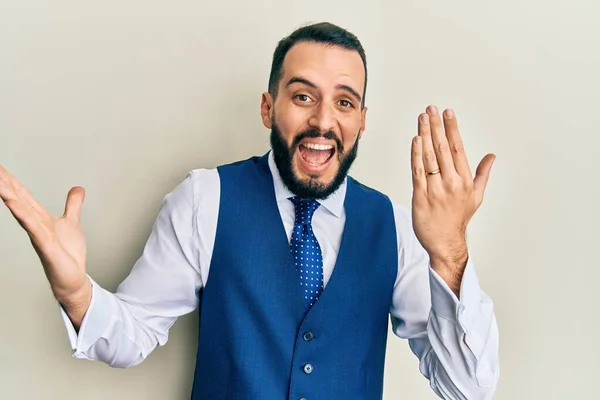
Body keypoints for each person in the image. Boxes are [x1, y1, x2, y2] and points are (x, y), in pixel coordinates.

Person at [0, 22, 499, 400]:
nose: (323, 121)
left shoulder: (395, 227)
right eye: (303, 96)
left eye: (344, 103)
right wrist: (76, 292)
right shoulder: (205, 199)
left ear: (362, 122)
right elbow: (130, 337)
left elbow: (466, 389)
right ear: (268, 107)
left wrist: (450, 255)